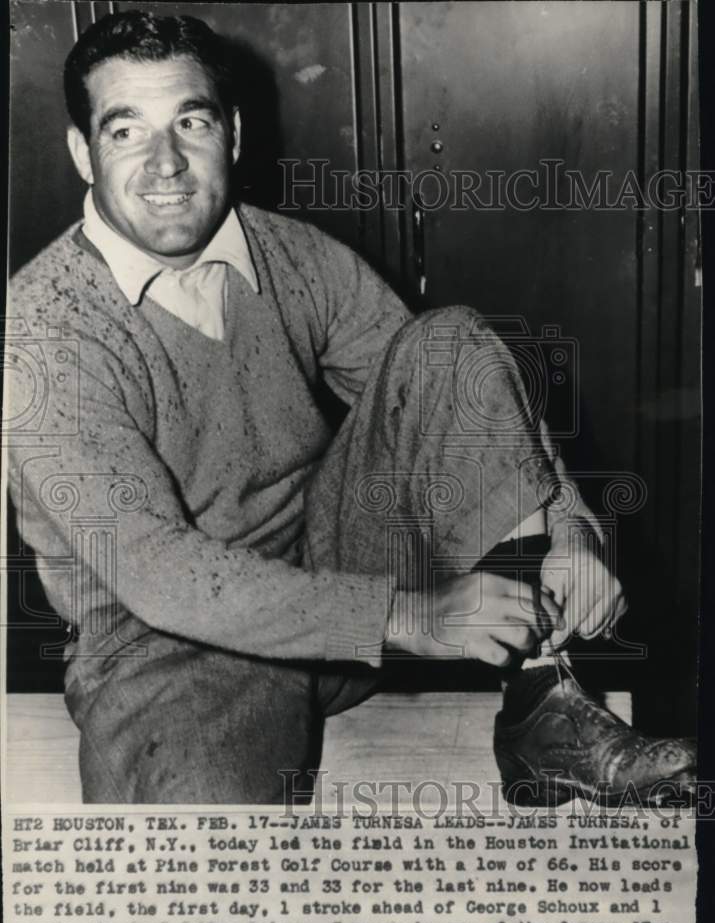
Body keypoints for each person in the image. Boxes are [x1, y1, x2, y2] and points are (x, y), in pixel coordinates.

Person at [6, 10, 695, 805]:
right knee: (193, 878)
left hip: (333, 581)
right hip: (168, 643)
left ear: (229, 133)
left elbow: (457, 387)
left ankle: (543, 707)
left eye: (189, 121)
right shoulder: (44, 328)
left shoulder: (288, 253)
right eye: (126, 131)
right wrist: (404, 617)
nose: (166, 163)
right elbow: (158, 575)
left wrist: (570, 526)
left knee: (448, 340)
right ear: (80, 151)